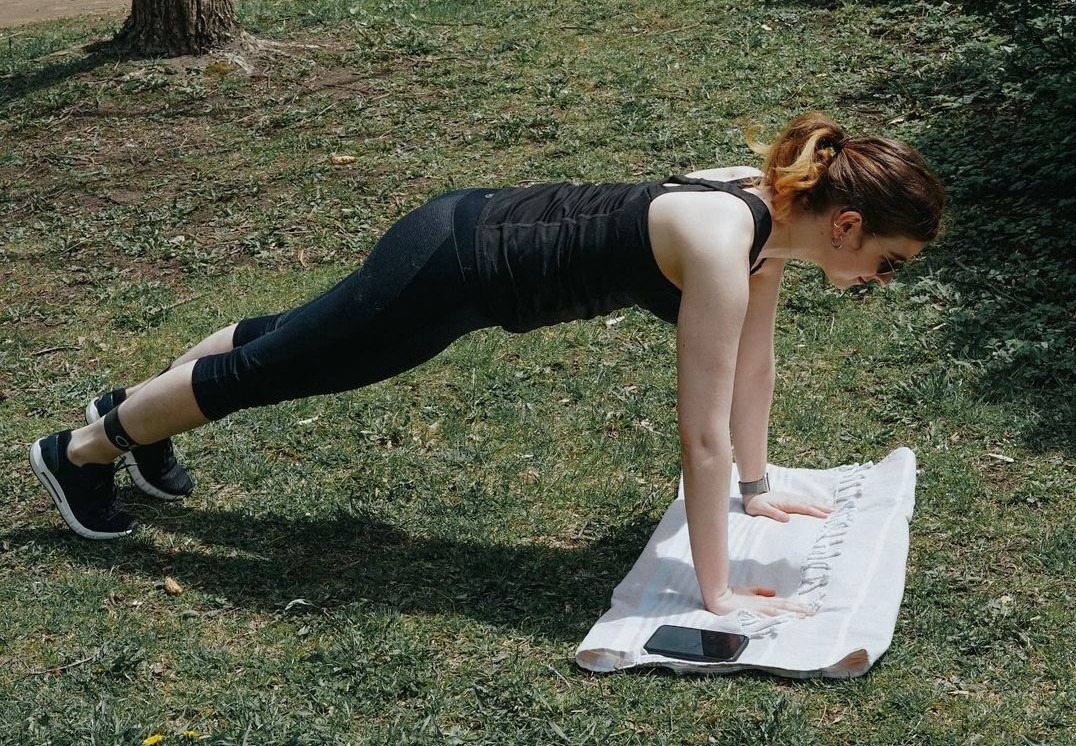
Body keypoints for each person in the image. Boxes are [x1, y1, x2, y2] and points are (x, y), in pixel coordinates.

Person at [29, 112, 945, 617]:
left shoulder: (772, 217)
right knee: (284, 368)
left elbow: (756, 365)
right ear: (849, 224)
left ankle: (139, 414)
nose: (879, 279)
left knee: (291, 336)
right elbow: (698, 432)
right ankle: (83, 451)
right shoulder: (725, 238)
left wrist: (756, 487)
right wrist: (716, 591)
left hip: (463, 235)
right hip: (452, 271)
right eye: (887, 262)